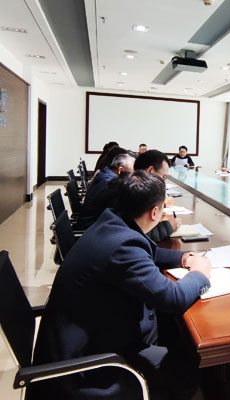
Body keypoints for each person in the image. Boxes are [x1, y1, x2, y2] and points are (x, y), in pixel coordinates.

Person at [31, 170, 212, 400]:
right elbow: (173, 298)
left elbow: (148, 252)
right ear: (155, 212)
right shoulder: (123, 246)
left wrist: (184, 258)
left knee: (172, 331)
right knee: (188, 372)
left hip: (92, 333)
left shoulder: (113, 223)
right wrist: (200, 273)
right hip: (90, 364)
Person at [76, 150, 180, 241]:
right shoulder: (124, 192)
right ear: (150, 171)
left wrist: (154, 219)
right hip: (98, 245)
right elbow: (132, 235)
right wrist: (169, 226)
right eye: (163, 177)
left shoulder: (126, 185)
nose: (163, 182)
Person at [75, 153, 135, 230]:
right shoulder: (108, 182)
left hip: (92, 222)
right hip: (92, 226)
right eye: (132, 172)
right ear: (120, 170)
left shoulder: (105, 174)